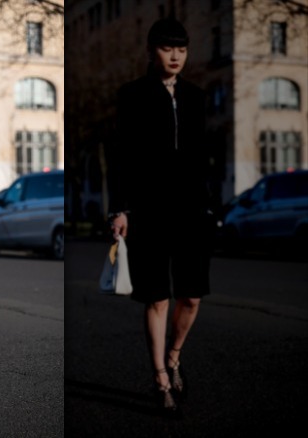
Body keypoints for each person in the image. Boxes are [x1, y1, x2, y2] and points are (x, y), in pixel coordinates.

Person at [109, 18, 212, 417]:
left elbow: (203, 156)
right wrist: (120, 209)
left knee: (192, 295)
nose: (175, 57)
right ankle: (160, 378)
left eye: (181, 50)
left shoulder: (196, 97)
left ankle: (174, 355)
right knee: (156, 297)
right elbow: (120, 156)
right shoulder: (132, 95)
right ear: (152, 51)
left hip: (192, 211)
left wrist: (208, 204)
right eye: (168, 49)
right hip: (148, 211)